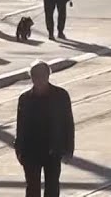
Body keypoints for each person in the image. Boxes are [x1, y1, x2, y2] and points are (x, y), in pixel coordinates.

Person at [15, 60, 75, 196]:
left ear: (48, 76)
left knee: (52, 186)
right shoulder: (25, 99)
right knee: (32, 188)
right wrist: (19, 150)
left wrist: (69, 149)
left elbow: (68, 123)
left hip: (53, 150)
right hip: (31, 151)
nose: (39, 80)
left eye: (42, 76)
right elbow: (21, 126)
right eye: (35, 77)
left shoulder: (61, 95)